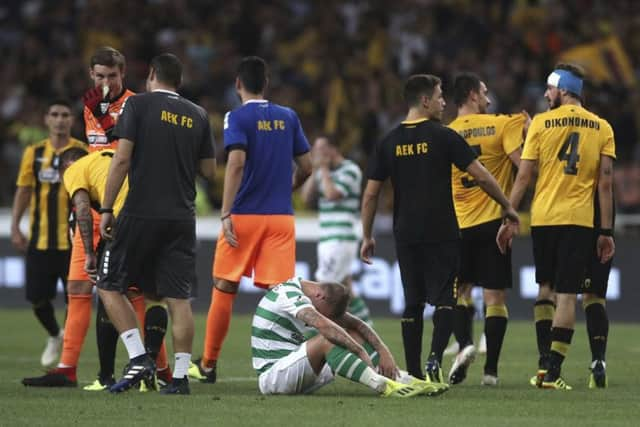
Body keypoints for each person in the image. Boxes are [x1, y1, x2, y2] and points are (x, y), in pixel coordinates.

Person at [361, 74, 519, 383]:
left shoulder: (388, 141)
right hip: (443, 229)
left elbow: (370, 194)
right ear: (424, 101)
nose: (444, 101)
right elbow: (483, 175)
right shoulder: (443, 136)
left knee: (412, 301)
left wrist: (366, 235)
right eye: (439, 96)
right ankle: (435, 358)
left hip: (405, 231)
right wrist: (507, 205)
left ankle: (415, 372)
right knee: (447, 297)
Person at [97, 53, 216, 395]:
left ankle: (138, 357)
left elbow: (122, 159)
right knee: (177, 298)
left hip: (140, 212)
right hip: (181, 216)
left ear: (151, 75)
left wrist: (106, 208)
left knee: (108, 283)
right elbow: (209, 172)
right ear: (179, 81)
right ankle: (179, 378)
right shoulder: (198, 114)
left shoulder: (138, 106)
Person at [189, 56, 312, 384]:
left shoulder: (236, 116)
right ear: (266, 83)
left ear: (238, 85)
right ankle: (289, 362)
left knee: (224, 287)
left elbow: (236, 164)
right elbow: (308, 167)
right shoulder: (289, 116)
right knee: (282, 295)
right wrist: (288, 189)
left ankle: (209, 365)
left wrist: (226, 211)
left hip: (244, 216)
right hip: (281, 219)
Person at [497, 63, 615, 390]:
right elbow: (605, 184)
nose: (546, 95)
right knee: (567, 297)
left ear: (562, 89)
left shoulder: (541, 124)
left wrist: (509, 213)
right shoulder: (602, 127)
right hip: (578, 220)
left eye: (549, 89)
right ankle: (553, 373)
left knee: (544, 291)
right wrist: (605, 232)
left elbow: (524, 175)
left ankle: (543, 364)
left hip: (544, 218)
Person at [21, 148, 171, 390]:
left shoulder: (75, 170)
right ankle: (71, 368)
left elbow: (81, 208)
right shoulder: (115, 153)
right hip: (152, 211)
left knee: (118, 289)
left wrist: (91, 253)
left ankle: (148, 364)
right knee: (93, 288)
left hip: (116, 215)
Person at [446, 72, 528, 386]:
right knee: (495, 298)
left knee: (459, 291)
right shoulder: (503, 124)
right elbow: (525, 166)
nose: (489, 99)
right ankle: (491, 372)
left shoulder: (447, 132)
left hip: (458, 225)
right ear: (471, 95)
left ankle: (465, 345)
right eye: (484, 92)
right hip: (495, 223)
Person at [252, 276, 448, 397]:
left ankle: (400, 378)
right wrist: (359, 351)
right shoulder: (289, 295)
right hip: (273, 377)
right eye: (328, 313)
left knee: (348, 331)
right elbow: (323, 325)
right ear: (320, 296)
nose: (328, 317)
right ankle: (382, 385)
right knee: (327, 337)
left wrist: (383, 351)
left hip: (294, 368)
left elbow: (357, 324)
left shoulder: (314, 296)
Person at [11, 99, 87, 369]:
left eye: (65, 114)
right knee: (36, 297)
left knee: (74, 298)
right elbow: (24, 190)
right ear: (46, 119)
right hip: (40, 238)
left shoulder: (82, 151)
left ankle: (67, 352)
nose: (59, 119)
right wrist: (15, 225)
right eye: (54, 114)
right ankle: (56, 335)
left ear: (71, 120)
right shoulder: (34, 152)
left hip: (72, 239)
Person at [300, 135, 372, 324]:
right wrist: (316, 169)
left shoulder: (350, 170)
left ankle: (320, 331)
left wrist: (323, 170)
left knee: (323, 288)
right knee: (347, 288)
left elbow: (332, 194)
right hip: (326, 238)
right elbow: (306, 199)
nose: (316, 154)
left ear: (332, 149)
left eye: (320, 149)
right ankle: (367, 326)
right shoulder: (322, 172)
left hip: (341, 239)